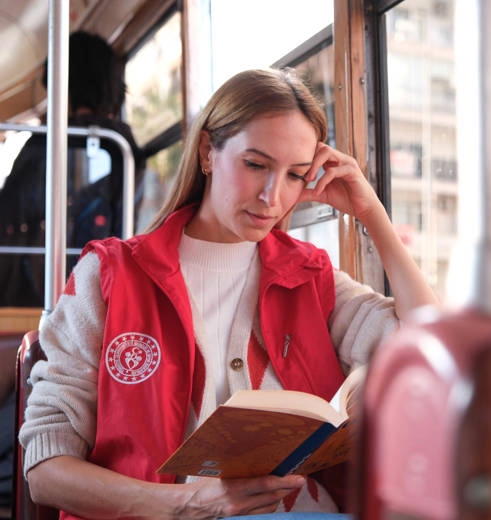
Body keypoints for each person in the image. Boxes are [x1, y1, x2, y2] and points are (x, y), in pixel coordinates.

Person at [18, 68, 438, 518]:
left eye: (296, 175)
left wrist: (370, 213)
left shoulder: (311, 278)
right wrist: (187, 504)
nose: (272, 198)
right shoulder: (110, 276)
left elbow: (428, 345)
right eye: (255, 165)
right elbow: (46, 471)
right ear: (207, 153)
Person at [0, 30, 146, 307]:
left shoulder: (47, 142)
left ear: (63, 86)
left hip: (32, 294)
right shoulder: (126, 146)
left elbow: (13, 213)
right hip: (105, 289)